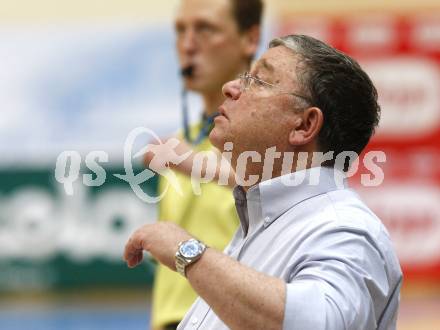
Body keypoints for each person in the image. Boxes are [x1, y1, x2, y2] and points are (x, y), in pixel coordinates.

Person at [128, 34, 402, 329]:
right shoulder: (262, 223)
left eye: (258, 81)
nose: (230, 87)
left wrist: (188, 253)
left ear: (305, 125)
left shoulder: (345, 230)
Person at [146, 1, 263, 329]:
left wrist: (195, 164)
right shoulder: (180, 143)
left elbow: (285, 183)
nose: (187, 45)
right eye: (181, 31)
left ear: (250, 39)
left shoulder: (271, 136)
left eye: (206, 29)